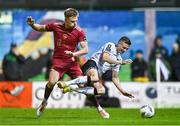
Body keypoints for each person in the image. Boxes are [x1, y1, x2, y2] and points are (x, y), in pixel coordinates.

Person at [26, 8, 107, 118]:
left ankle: (99, 108)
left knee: (83, 86)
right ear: (66, 19)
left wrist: (74, 54)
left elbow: (85, 49)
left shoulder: (79, 31)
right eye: (72, 21)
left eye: (76, 20)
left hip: (72, 63)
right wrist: (32, 25)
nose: (75, 23)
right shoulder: (56, 26)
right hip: (58, 62)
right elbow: (40, 28)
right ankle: (44, 102)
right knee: (51, 82)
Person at [57, 36, 134, 114]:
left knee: (101, 90)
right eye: (124, 47)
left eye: (126, 49)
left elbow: (115, 77)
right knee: (94, 77)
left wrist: (122, 91)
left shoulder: (119, 59)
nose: (124, 50)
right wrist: (120, 63)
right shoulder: (110, 45)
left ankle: (71, 88)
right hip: (91, 64)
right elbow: (105, 57)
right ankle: (67, 83)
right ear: (119, 43)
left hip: (96, 75)